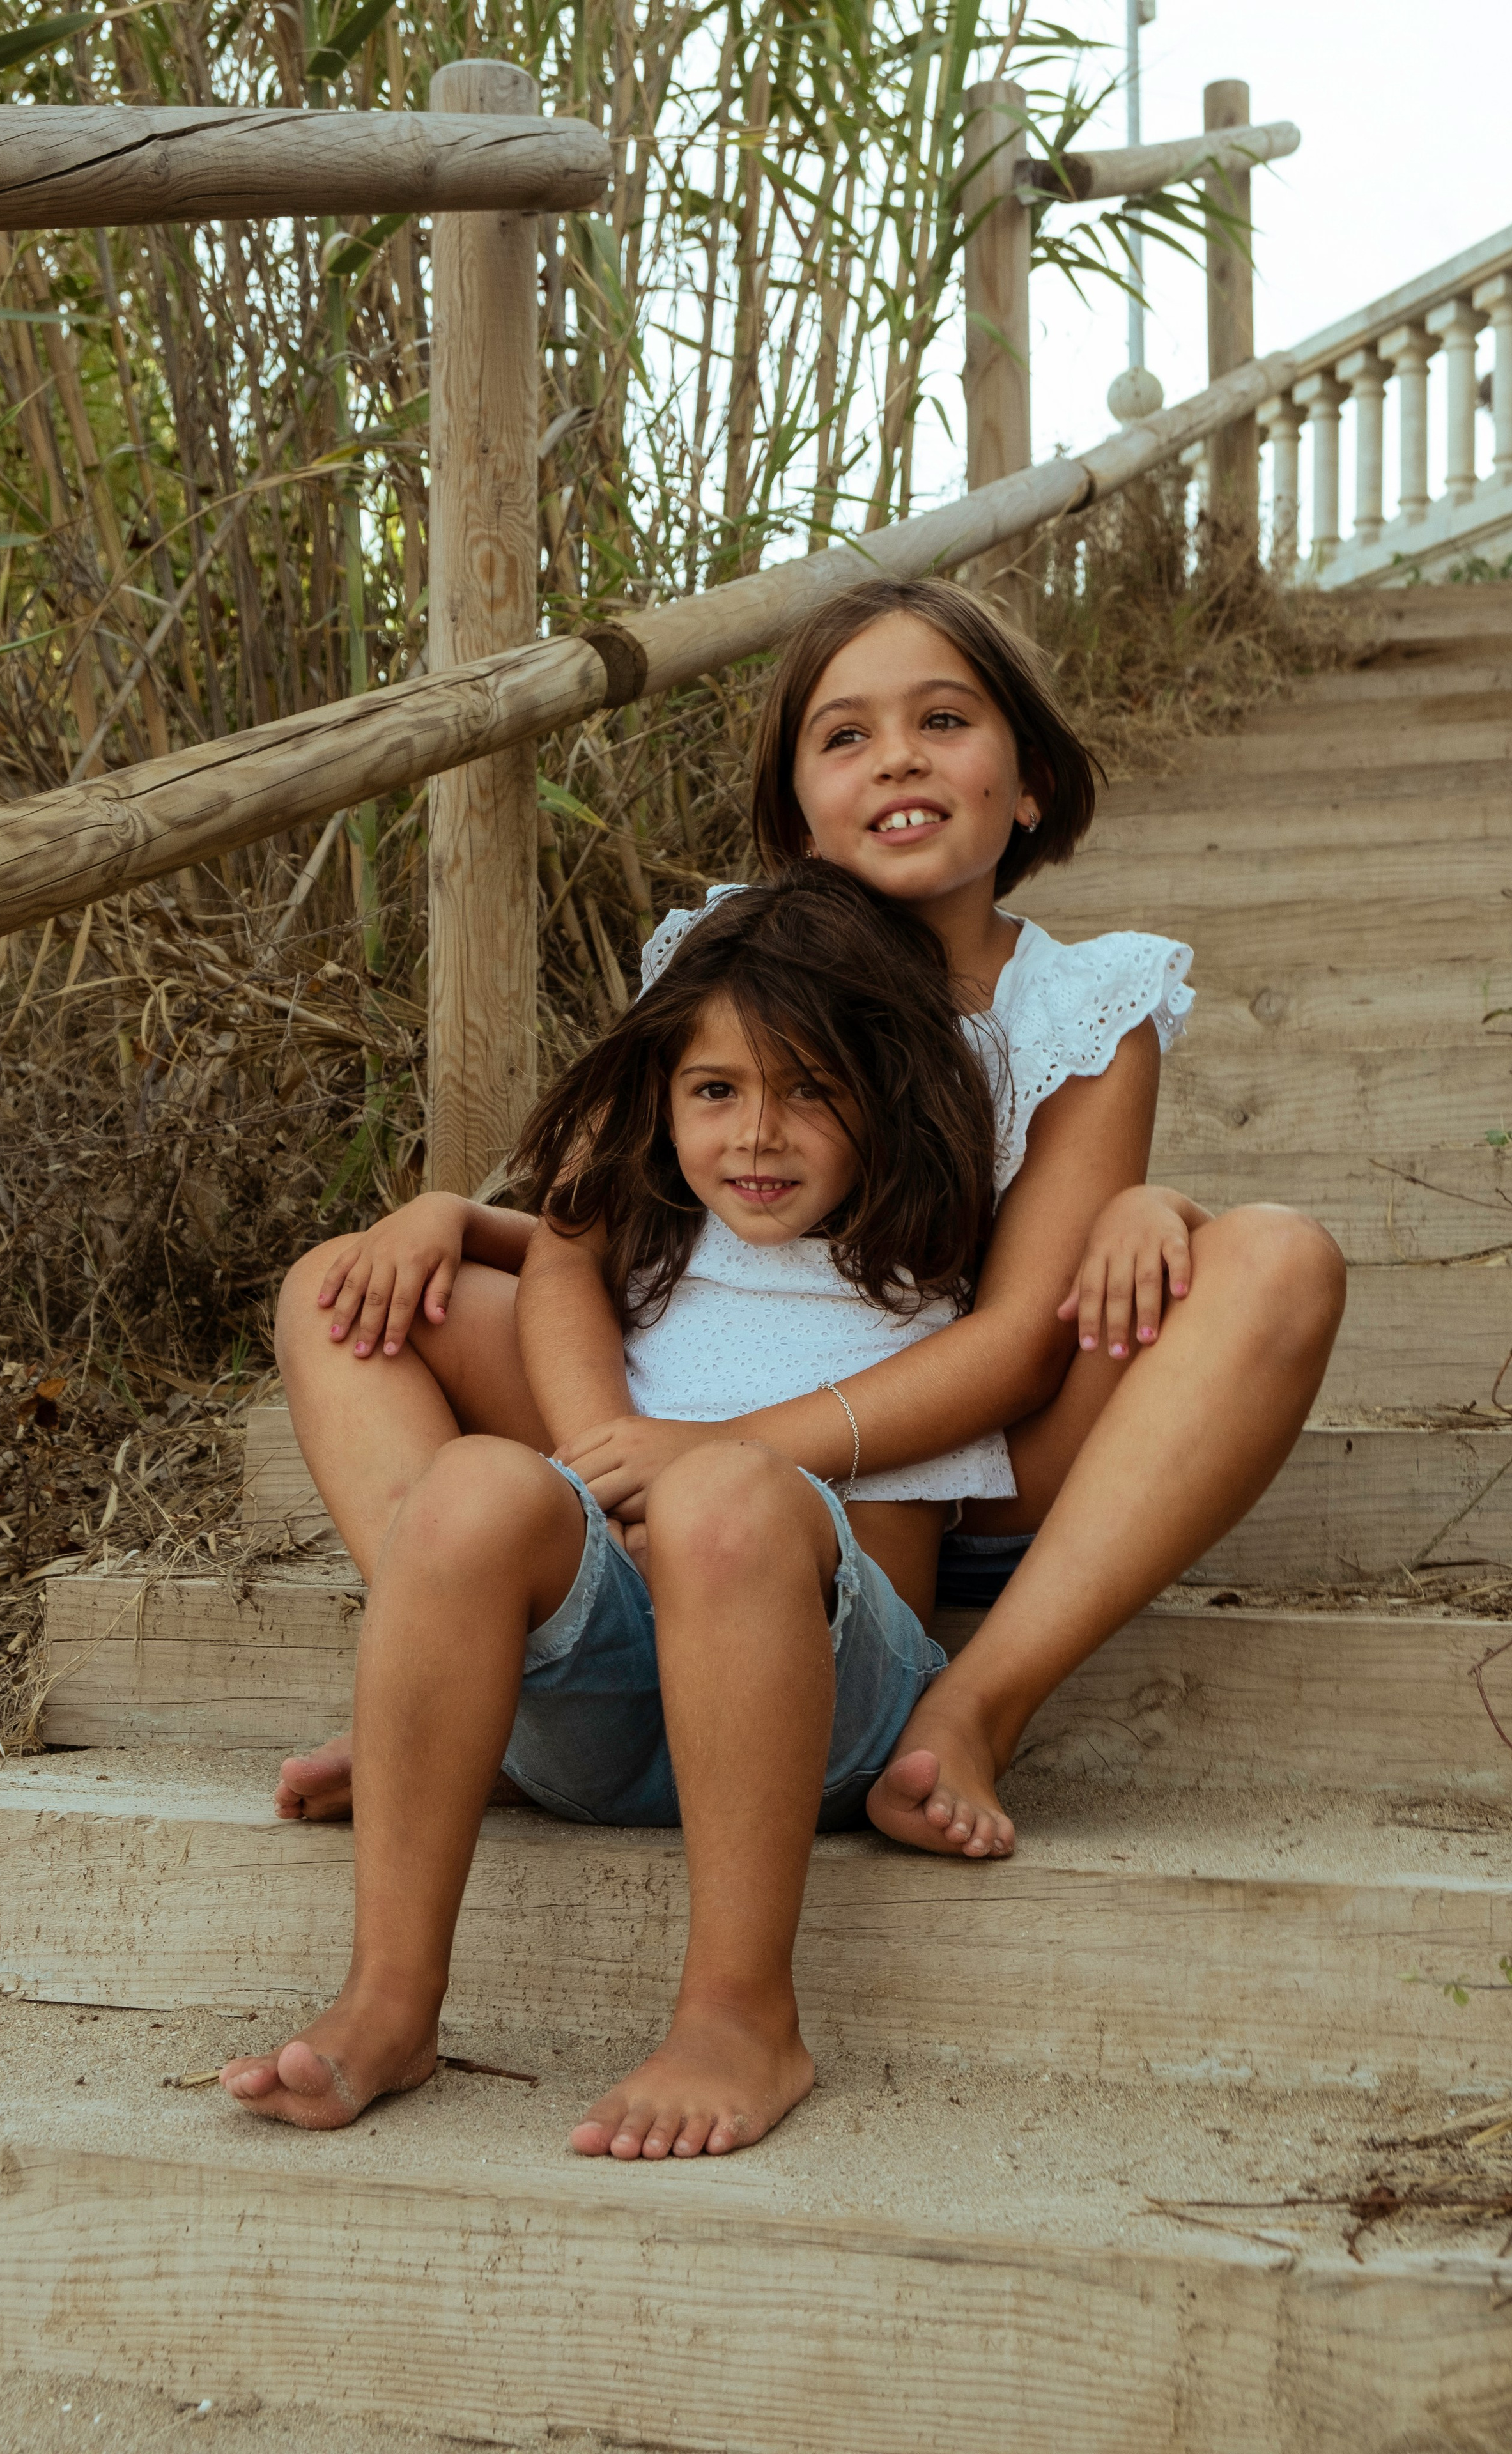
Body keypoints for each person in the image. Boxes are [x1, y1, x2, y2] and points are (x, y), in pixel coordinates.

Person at [270, 575, 1345, 1864]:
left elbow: (1016, 1339)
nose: (896, 755)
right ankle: (464, 1690)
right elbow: (593, 1234)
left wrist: (1149, 1212)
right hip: (670, 1459)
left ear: (1032, 782)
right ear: (794, 815)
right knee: (343, 1291)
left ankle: (970, 1707)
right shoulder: (717, 958)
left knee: (1276, 1257)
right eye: (844, 735)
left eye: (942, 721)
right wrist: (568, 1380)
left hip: (965, 1469)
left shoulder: (1080, 1005)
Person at [225, 863, 1021, 2145]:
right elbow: (552, 1245)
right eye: (715, 1092)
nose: (755, 1135)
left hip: (818, 1714)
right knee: (476, 1486)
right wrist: (450, 1218)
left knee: (727, 1492)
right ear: (663, 1098)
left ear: (892, 1096)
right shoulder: (652, 1224)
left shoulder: (921, 1246)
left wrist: (1160, 1210)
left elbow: (1069, 1304)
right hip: (599, 1707)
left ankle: (737, 2013)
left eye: (809, 1092)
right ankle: (388, 1997)